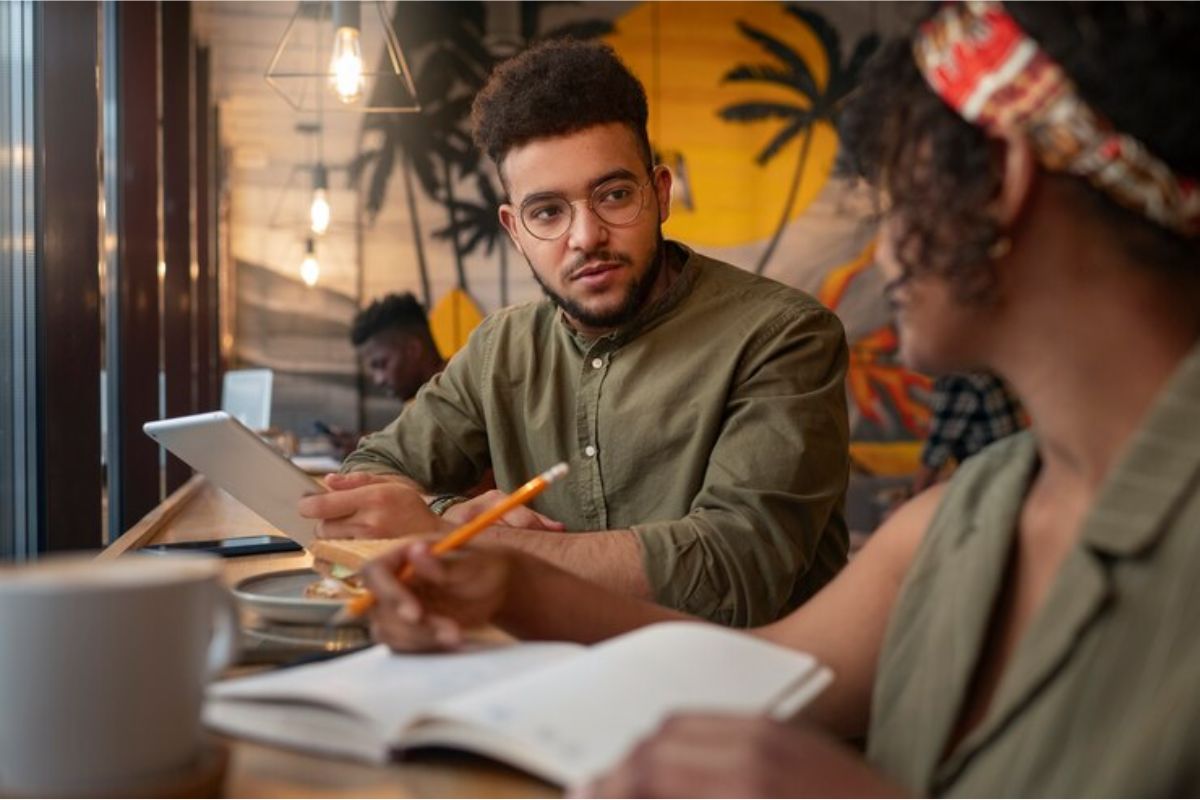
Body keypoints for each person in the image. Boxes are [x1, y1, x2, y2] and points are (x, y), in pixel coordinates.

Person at [356, 2, 1200, 795]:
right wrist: (499, 579)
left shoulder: (795, 348)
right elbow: (764, 667)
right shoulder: (962, 514)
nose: (884, 243)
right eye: (549, 210)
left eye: (900, 191)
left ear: (1004, 180)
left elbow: (739, 583)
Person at [299, 39, 852, 627]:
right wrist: (446, 513)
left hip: (733, 696)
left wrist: (453, 537)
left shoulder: (784, 335)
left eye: (613, 195)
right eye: (547, 212)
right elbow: (369, 472)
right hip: (540, 679)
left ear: (659, 193)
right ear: (515, 229)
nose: (586, 235)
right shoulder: (500, 350)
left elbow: (733, 572)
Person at [911, 371, 1025, 493]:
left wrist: (912, 498)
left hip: (994, 484)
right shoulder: (983, 371)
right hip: (1013, 473)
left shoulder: (958, 382)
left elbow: (936, 452)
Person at [350, 293, 445, 402]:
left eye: (382, 365)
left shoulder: (462, 390)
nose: (379, 380)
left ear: (413, 350)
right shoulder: (421, 406)